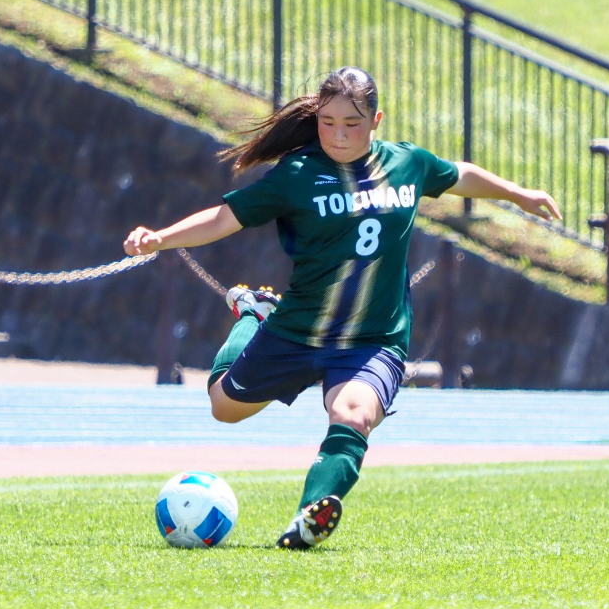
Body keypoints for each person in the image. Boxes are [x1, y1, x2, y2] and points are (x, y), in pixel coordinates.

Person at [123, 66, 560, 549]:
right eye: (327, 122)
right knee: (223, 406)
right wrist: (161, 238)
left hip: (374, 339)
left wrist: (519, 195)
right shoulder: (298, 174)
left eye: (351, 124)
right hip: (300, 330)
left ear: (377, 121)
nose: (337, 134)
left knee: (353, 414)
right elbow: (227, 216)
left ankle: (308, 518)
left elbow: (460, 176)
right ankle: (255, 313)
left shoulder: (408, 164)